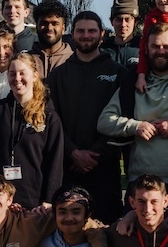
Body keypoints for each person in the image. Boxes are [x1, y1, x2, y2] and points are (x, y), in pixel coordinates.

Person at [98, 23, 168, 214]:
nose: (161, 51)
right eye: (155, 46)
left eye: (167, 46)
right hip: (140, 182)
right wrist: (135, 126)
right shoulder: (132, 83)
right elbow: (104, 122)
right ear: (146, 49)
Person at [47, 11, 127, 223]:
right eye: (80, 31)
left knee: (105, 230)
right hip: (68, 168)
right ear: (72, 34)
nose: (86, 35)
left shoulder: (119, 73)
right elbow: (52, 120)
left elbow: (123, 118)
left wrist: (94, 155)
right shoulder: (57, 76)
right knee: (70, 230)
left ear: (101, 34)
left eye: (92, 31)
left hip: (105, 170)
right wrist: (73, 152)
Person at [0, 52, 64, 209]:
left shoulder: (48, 117)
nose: (17, 78)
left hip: (34, 205)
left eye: (22, 73)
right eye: (12, 73)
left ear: (35, 76)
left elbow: (55, 163)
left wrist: (49, 200)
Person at [31, 0, 74, 78]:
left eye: (54, 24)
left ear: (63, 28)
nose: (49, 28)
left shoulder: (74, 61)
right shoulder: (25, 60)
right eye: (44, 23)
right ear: (36, 26)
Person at [101, 0, 141, 71]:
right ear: (111, 22)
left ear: (135, 22)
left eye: (127, 19)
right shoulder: (102, 51)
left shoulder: (143, 49)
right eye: (118, 20)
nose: (123, 24)